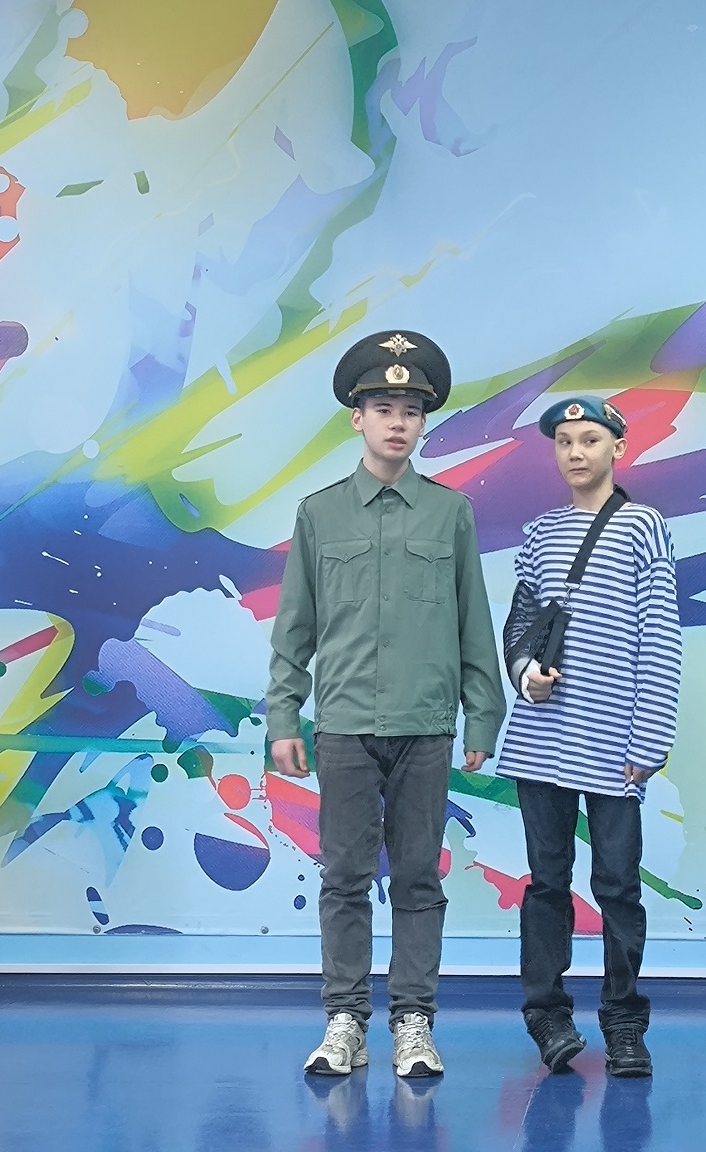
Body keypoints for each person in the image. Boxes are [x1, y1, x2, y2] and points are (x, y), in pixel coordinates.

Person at [266, 331, 506, 1080]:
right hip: (343, 726)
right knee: (342, 877)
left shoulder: (450, 513)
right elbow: (294, 625)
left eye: (410, 410)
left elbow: (473, 620)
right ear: (357, 420)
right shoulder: (319, 514)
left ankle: (413, 1022)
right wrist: (283, 717)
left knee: (418, 879)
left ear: (424, 423)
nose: (397, 423)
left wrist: (482, 714)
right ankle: (344, 1019)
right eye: (382, 408)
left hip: (425, 725)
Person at [499, 396, 681, 1078]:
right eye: (565, 441)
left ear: (617, 449)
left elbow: (660, 637)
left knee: (618, 887)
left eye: (590, 439)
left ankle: (625, 1024)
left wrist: (649, 738)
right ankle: (547, 1017)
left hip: (614, 744)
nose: (576, 452)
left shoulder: (644, 527)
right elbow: (519, 625)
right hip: (542, 741)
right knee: (547, 883)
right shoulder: (540, 533)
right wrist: (527, 677)